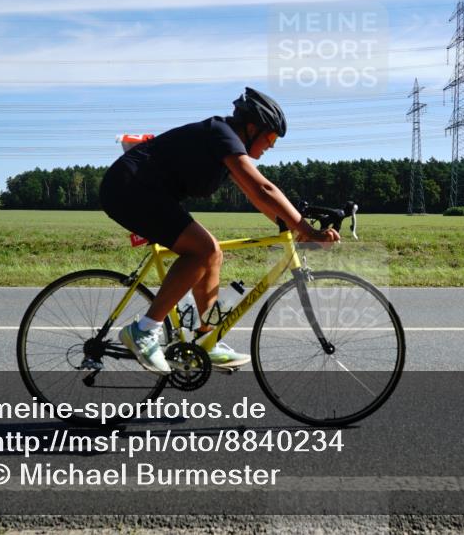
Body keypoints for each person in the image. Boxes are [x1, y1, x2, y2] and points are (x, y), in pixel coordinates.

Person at [99, 87, 340, 374]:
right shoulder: (221, 133)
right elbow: (263, 188)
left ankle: (205, 338)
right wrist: (307, 230)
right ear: (252, 128)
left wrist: (294, 229)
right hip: (129, 189)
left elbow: (256, 196)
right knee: (204, 249)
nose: (272, 146)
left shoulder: (226, 149)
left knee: (213, 254)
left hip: (148, 192)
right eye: (271, 137)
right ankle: (144, 330)